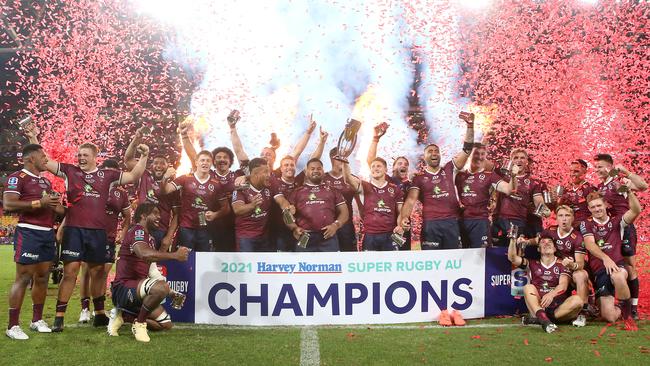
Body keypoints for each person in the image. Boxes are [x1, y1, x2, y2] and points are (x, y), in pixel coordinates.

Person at [27, 123, 150, 331]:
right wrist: (33, 137)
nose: (80, 158)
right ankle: (59, 317)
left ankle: (99, 314)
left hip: (98, 233)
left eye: (85, 155)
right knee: (70, 273)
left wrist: (144, 156)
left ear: (95, 157)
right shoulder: (69, 171)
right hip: (75, 230)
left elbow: (133, 176)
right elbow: (45, 161)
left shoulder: (108, 176)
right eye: (79, 155)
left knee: (98, 273)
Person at [3, 144, 65, 339]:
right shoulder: (17, 177)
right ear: (31, 159)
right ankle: (12, 325)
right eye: (42, 156)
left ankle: (36, 320)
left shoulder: (46, 182)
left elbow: (58, 210)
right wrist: (40, 203)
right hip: (28, 232)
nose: (45, 159)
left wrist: (57, 205)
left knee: (42, 277)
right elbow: (9, 204)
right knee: (23, 278)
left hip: (47, 233)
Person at [108, 203, 189, 342]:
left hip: (138, 289)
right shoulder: (137, 231)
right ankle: (139, 323)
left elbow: (152, 271)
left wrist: (171, 292)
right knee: (160, 288)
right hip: (124, 287)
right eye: (155, 213)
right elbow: (144, 254)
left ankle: (124, 316)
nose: (160, 217)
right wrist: (175, 255)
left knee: (165, 325)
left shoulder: (150, 239)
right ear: (143, 216)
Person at [399, 112, 475, 250]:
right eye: (430, 151)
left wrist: (470, 126)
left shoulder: (449, 169)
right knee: (432, 263)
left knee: (453, 262)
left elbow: (467, 150)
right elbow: (410, 201)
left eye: (436, 151)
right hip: (430, 225)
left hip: (452, 223)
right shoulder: (419, 178)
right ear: (424, 157)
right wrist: (404, 218)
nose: (434, 153)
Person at [77, 160, 132, 323]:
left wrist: (123, 232)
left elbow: (127, 215)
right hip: (90, 234)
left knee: (102, 273)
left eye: (113, 172)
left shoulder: (121, 193)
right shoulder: (92, 186)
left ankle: (98, 309)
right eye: (106, 171)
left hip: (108, 237)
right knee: (86, 271)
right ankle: (84, 309)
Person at [593, 154, 647, 318]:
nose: (597, 170)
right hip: (609, 231)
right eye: (596, 167)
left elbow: (642, 186)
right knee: (613, 265)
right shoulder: (601, 187)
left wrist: (627, 173)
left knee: (629, 266)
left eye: (600, 166)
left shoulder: (617, 184)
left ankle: (633, 308)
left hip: (624, 228)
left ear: (610, 166)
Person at [517, 205, 590, 327]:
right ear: (556, 218)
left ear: (572, 218)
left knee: (581, 274)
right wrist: (526, 242)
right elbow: (538, 240)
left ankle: (582, 314)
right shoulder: (550, 230)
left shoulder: (577, 237)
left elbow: (581, 264)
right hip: (555, 268)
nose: (564, 219)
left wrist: (571, 265)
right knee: (530, 287)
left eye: (567, 216)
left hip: (570, 270)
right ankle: (544, 316)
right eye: (561, 216)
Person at [580, 190, 642, 330]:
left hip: (617, 265)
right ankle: (619, 306)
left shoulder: (617, 221)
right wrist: (606, 258)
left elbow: (636, 210)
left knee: (618, 275)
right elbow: (590, 244)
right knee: (610, 317)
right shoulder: (587, 224)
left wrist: (629, 192)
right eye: (593, 207)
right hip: (600, 271)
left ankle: (627, 317)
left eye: (599, 205)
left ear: (606, 205)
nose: (597, 209)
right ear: (589, 209)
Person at [508, 233, 583, 333]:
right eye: (543, 242)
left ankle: (542, 320)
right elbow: (513, 258)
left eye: (550, 242)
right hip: (538, 305)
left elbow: (563, 285)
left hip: (557, 308)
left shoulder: (562, 263)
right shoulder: (532, 263)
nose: (546, 244)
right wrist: (513, 240)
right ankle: (542, 318)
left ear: (555, 249)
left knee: (578, 300)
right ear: (539, 249)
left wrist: (551, 294)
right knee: (528, 287)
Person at [124, 127, 180, 252]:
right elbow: (128, 161)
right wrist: (136, 140)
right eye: (156, 163)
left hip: (160, 230)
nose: (158, 166)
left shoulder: (173, 186)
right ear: (151, 165)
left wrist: (169, 236)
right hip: (139, 226)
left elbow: (177, 214)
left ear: (167, 166)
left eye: (162, 163)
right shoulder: (145, 175)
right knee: (136, 264)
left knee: (157, 268)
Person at [161, 151, 230, 252]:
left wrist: (215, 214)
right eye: (202, 160)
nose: (205, 163)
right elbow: (165, 190)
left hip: (205, 229)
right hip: (186, 227)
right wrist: (165, 178)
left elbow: (226, 208)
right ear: (196, 162)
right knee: (184, 260)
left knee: (203, 261)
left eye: (208, 161)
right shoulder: (185, 179)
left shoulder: (216, 184)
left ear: (212, 164)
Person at [455, 143, 515, 248]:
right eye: (476, 153)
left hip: (480, 221)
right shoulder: (459, 175)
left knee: (482, 255)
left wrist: (514, 176)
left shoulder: (490, 176)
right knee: (461, 255)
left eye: (483, 154)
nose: (480, 157)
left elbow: (508, 189)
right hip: (461, 221)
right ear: (469, 155)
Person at [286, 158, 349, 252]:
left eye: (319, 168)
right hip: (304, 238)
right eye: (312, 169)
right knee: (303, 266)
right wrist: (294, 228)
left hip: (328, 237)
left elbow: (345, 212)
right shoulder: (297, 192)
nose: (316, 171)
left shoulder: (333, 191)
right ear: (306, 172)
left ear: (323, 171)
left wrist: (335, 225)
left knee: (331, 266)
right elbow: (286, 214)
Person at [366, 123, 413, 250]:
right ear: (392, 168)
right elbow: (371, 161)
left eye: (405, 164)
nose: (403, 165)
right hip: (388, 228)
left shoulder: (412, 185)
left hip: (404, 225)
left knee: (403, 257)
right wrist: (375, 139)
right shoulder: (387, 179)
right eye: (399, 163)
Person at [232, 158, 293, 251]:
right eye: (265, 172)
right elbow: (237, 209)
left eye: (269, 171)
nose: (269, 175)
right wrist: (252, 205)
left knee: (264, 264)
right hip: (246, 237)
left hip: (264, 236)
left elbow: (281, 199)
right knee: (248, 264)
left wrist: (287, 207)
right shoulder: (242, 186)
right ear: (255, 174)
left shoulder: (271, 182)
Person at [342, 158, 403, 251]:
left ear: (386, 170)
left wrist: (400, 225)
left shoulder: (395, 189)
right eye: (373, 166)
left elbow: (400, 211)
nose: (375, 168)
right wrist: (345, 162)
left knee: (392, 264)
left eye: (379, 166)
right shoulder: (365, 186)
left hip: (390, 235)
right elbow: (348, 179)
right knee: (370, 264)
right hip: (370, 235)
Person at [492, 148, 547, 246]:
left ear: (526, 161)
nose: (519, 160)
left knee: (514, 250)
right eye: (516, 158)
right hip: (499, 220)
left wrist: (545, 210)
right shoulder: (502, 177)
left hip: (518, 221)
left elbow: (539, 203)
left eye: (522, 158)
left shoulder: (533, 182)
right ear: (511, 161)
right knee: (498, 251)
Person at [322, 148, 361, 251]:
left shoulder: (352, 179)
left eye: (345, 157)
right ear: (332, 159)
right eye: (340, 157)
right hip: (327, 225)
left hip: (346, 225)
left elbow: (360, 203)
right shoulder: (323, 179)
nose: (343, 160)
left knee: (349, 256)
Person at [556, 159, 596, 228]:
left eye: (576, 171)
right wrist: (557, 202)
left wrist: (583, 223)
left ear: (584, 172)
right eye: (571, 171)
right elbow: (558, 210)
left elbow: (596, 212)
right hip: (567, 226)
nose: (572, 174)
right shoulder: (565, 189)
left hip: (584, 227)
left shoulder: (590, 189)